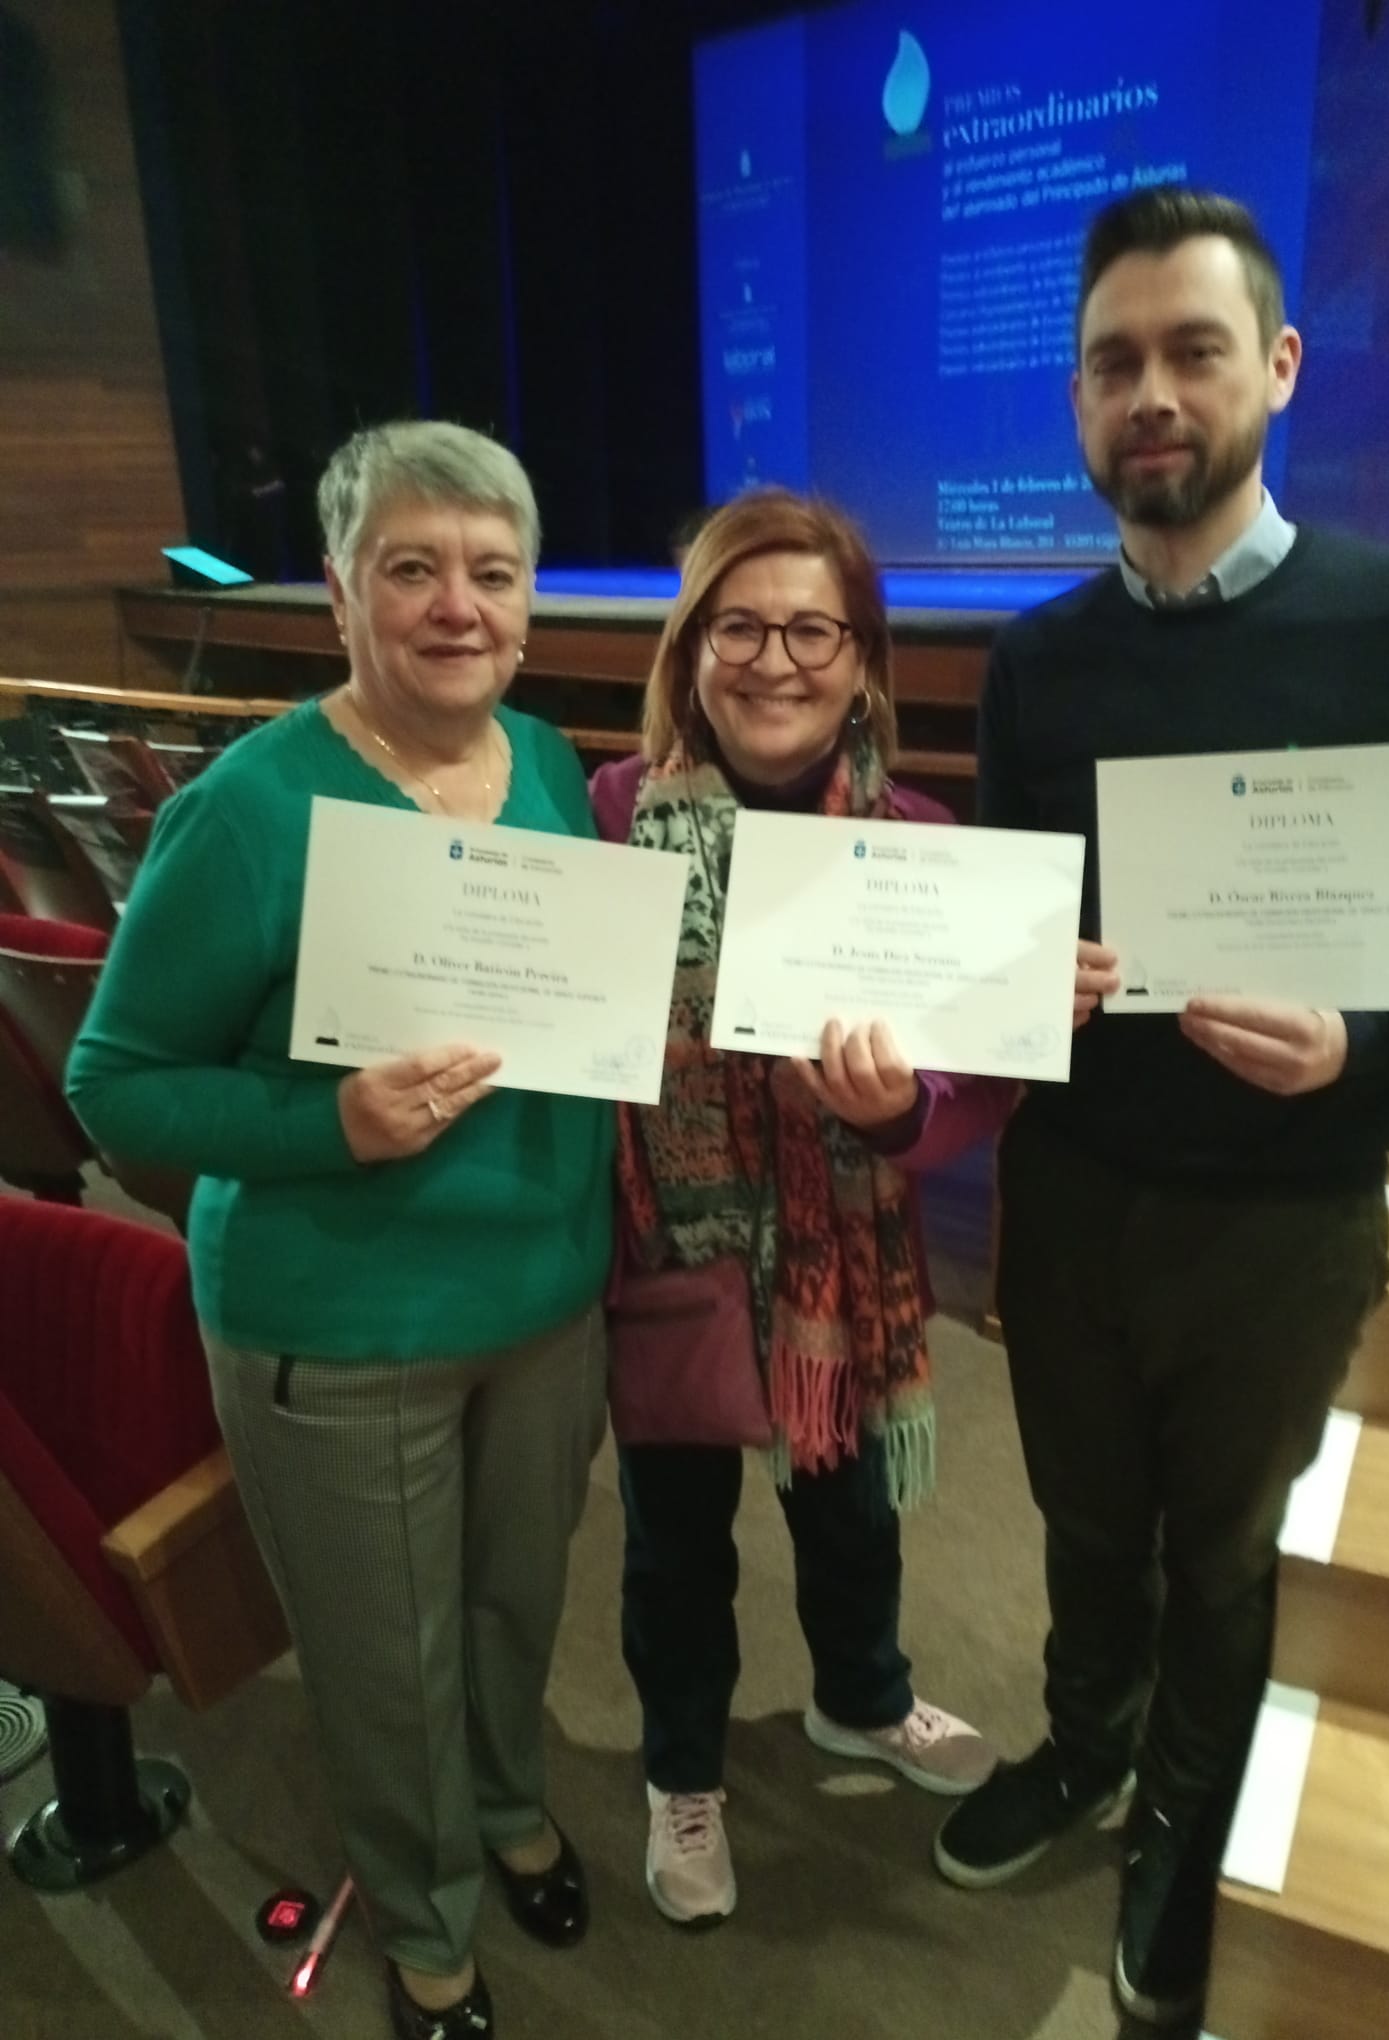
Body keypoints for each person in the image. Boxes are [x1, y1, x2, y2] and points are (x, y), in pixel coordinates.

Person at [933, 186, 1389, 2027]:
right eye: (1114, 363)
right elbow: (1021, 921)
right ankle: (1082, 1743)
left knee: (1228, 1543)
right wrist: (1012, 974)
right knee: (1084, 1516)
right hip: (1081, 1190)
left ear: (1276, 367)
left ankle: (1181, 1823)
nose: (1154, 394)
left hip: (1286, 1210)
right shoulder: (1038, 662)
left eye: (1194, 350)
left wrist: (1368, 1032)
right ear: (1078, 404)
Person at [68, 420, 614, 2040]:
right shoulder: (250, 810)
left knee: (516, 1611)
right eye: (413, 569)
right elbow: (117, 1083)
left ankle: (511, 1806)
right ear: (339, 595)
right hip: (340, 1324)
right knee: (388, 1660)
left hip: (542, 1306)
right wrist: (331, 1125)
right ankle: (429, 1924)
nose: (459, 606)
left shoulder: (549, 765)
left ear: (527, 608)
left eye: (492, 574)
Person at [590, 487, 1024, 1929]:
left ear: (861, 661)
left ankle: (863, 1699)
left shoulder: (919, 835)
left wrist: (895, 1110)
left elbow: (977, 1092)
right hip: (673, 1251)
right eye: (741, 626)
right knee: (674, 1539)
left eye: (812, 630)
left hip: (847, 1273)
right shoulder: (606, 816)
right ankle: (680, 1771)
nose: (776, 661)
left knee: (854, 1518)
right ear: (692, 647)